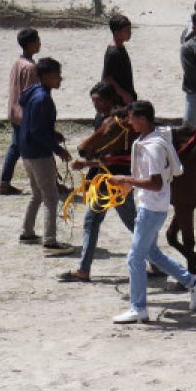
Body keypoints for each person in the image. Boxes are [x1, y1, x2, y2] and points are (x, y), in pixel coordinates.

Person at [107, 100, 196, 324]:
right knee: (152, 253)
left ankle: (138, 308)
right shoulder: (147, 139)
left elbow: (155, 183)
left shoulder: (152, 146)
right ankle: (192, 281)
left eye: (131, 118)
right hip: (151, 207)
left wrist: (125, 179)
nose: (128, 122)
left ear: (142, 119)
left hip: (151, 209)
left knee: (135, 258)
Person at [60, 82, 139, 283]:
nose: (96, 104)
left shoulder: (117, 124)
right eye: (93, 101)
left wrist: (86, 164)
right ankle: (84, 269)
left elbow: (114, 158)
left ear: (110, 99)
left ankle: (83, 270)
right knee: (130, 224)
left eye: (99, 100)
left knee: (127, 224)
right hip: (105, 179)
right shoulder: (102, 119)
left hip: (113, 180)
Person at [17, 57, 73, 255]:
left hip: (26, 150)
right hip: (39, 154)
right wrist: (58, 150)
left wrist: (52, 133)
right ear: (47, 76)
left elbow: (36, 124)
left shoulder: (33, 92)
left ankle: (27, 232)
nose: (60, 79)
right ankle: (50, 240)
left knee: (37, 194)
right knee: (51, 196)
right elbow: (37, 131)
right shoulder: (43, 99)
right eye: (57, 75)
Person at [0, 27, 40, 195]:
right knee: (34, 148)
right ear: (30, 44)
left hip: (14, 111)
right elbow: (31, 94)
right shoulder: (30, 67)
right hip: (24, 115)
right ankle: (43, 183)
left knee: (15, 147)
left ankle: (5, 182)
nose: (39, 43)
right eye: (37, 40)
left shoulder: (18, 62)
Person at [103, 13, 136, 105]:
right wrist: (124, 94)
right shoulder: (113, 53)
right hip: (119, 100)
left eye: (130, 30)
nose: (130, 33)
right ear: (117, 33)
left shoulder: (120, 48)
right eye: (126, 30)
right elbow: (107, 78)